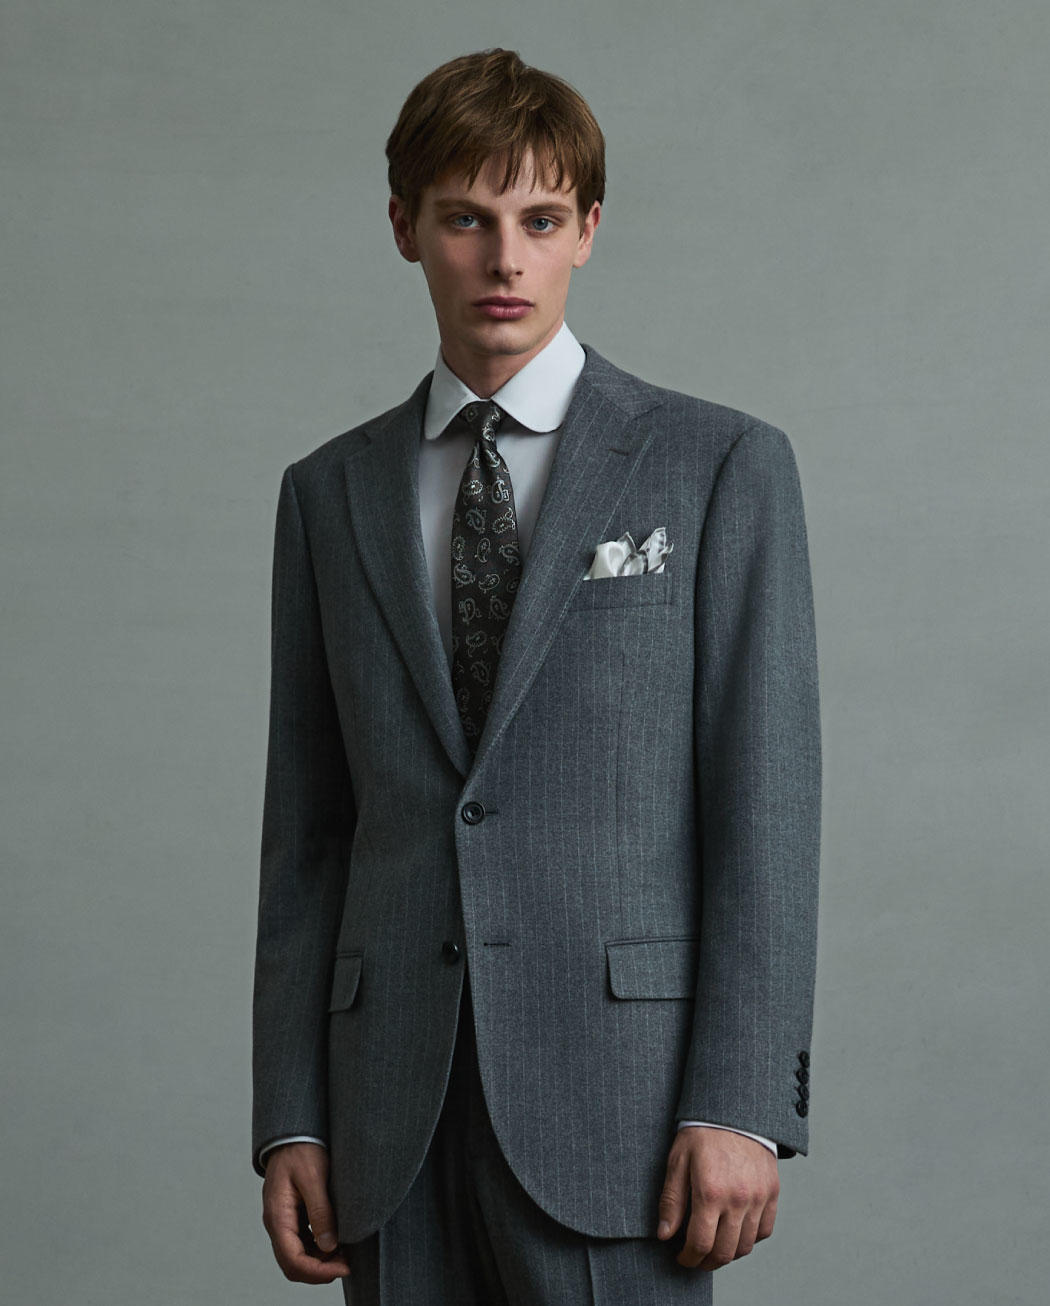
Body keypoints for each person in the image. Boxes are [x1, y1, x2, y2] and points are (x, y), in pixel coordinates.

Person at [251, 47, 821, 1305]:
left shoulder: (717, 465)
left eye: (541, 220)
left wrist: (738, 1101)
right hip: (387, 1118)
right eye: (466, 218)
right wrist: (292, 1114)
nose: (504, 259)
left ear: (589, 231)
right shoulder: (327, 494)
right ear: (404, 227)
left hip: (626, 1115)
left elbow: (765, 805)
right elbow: (310, 833)